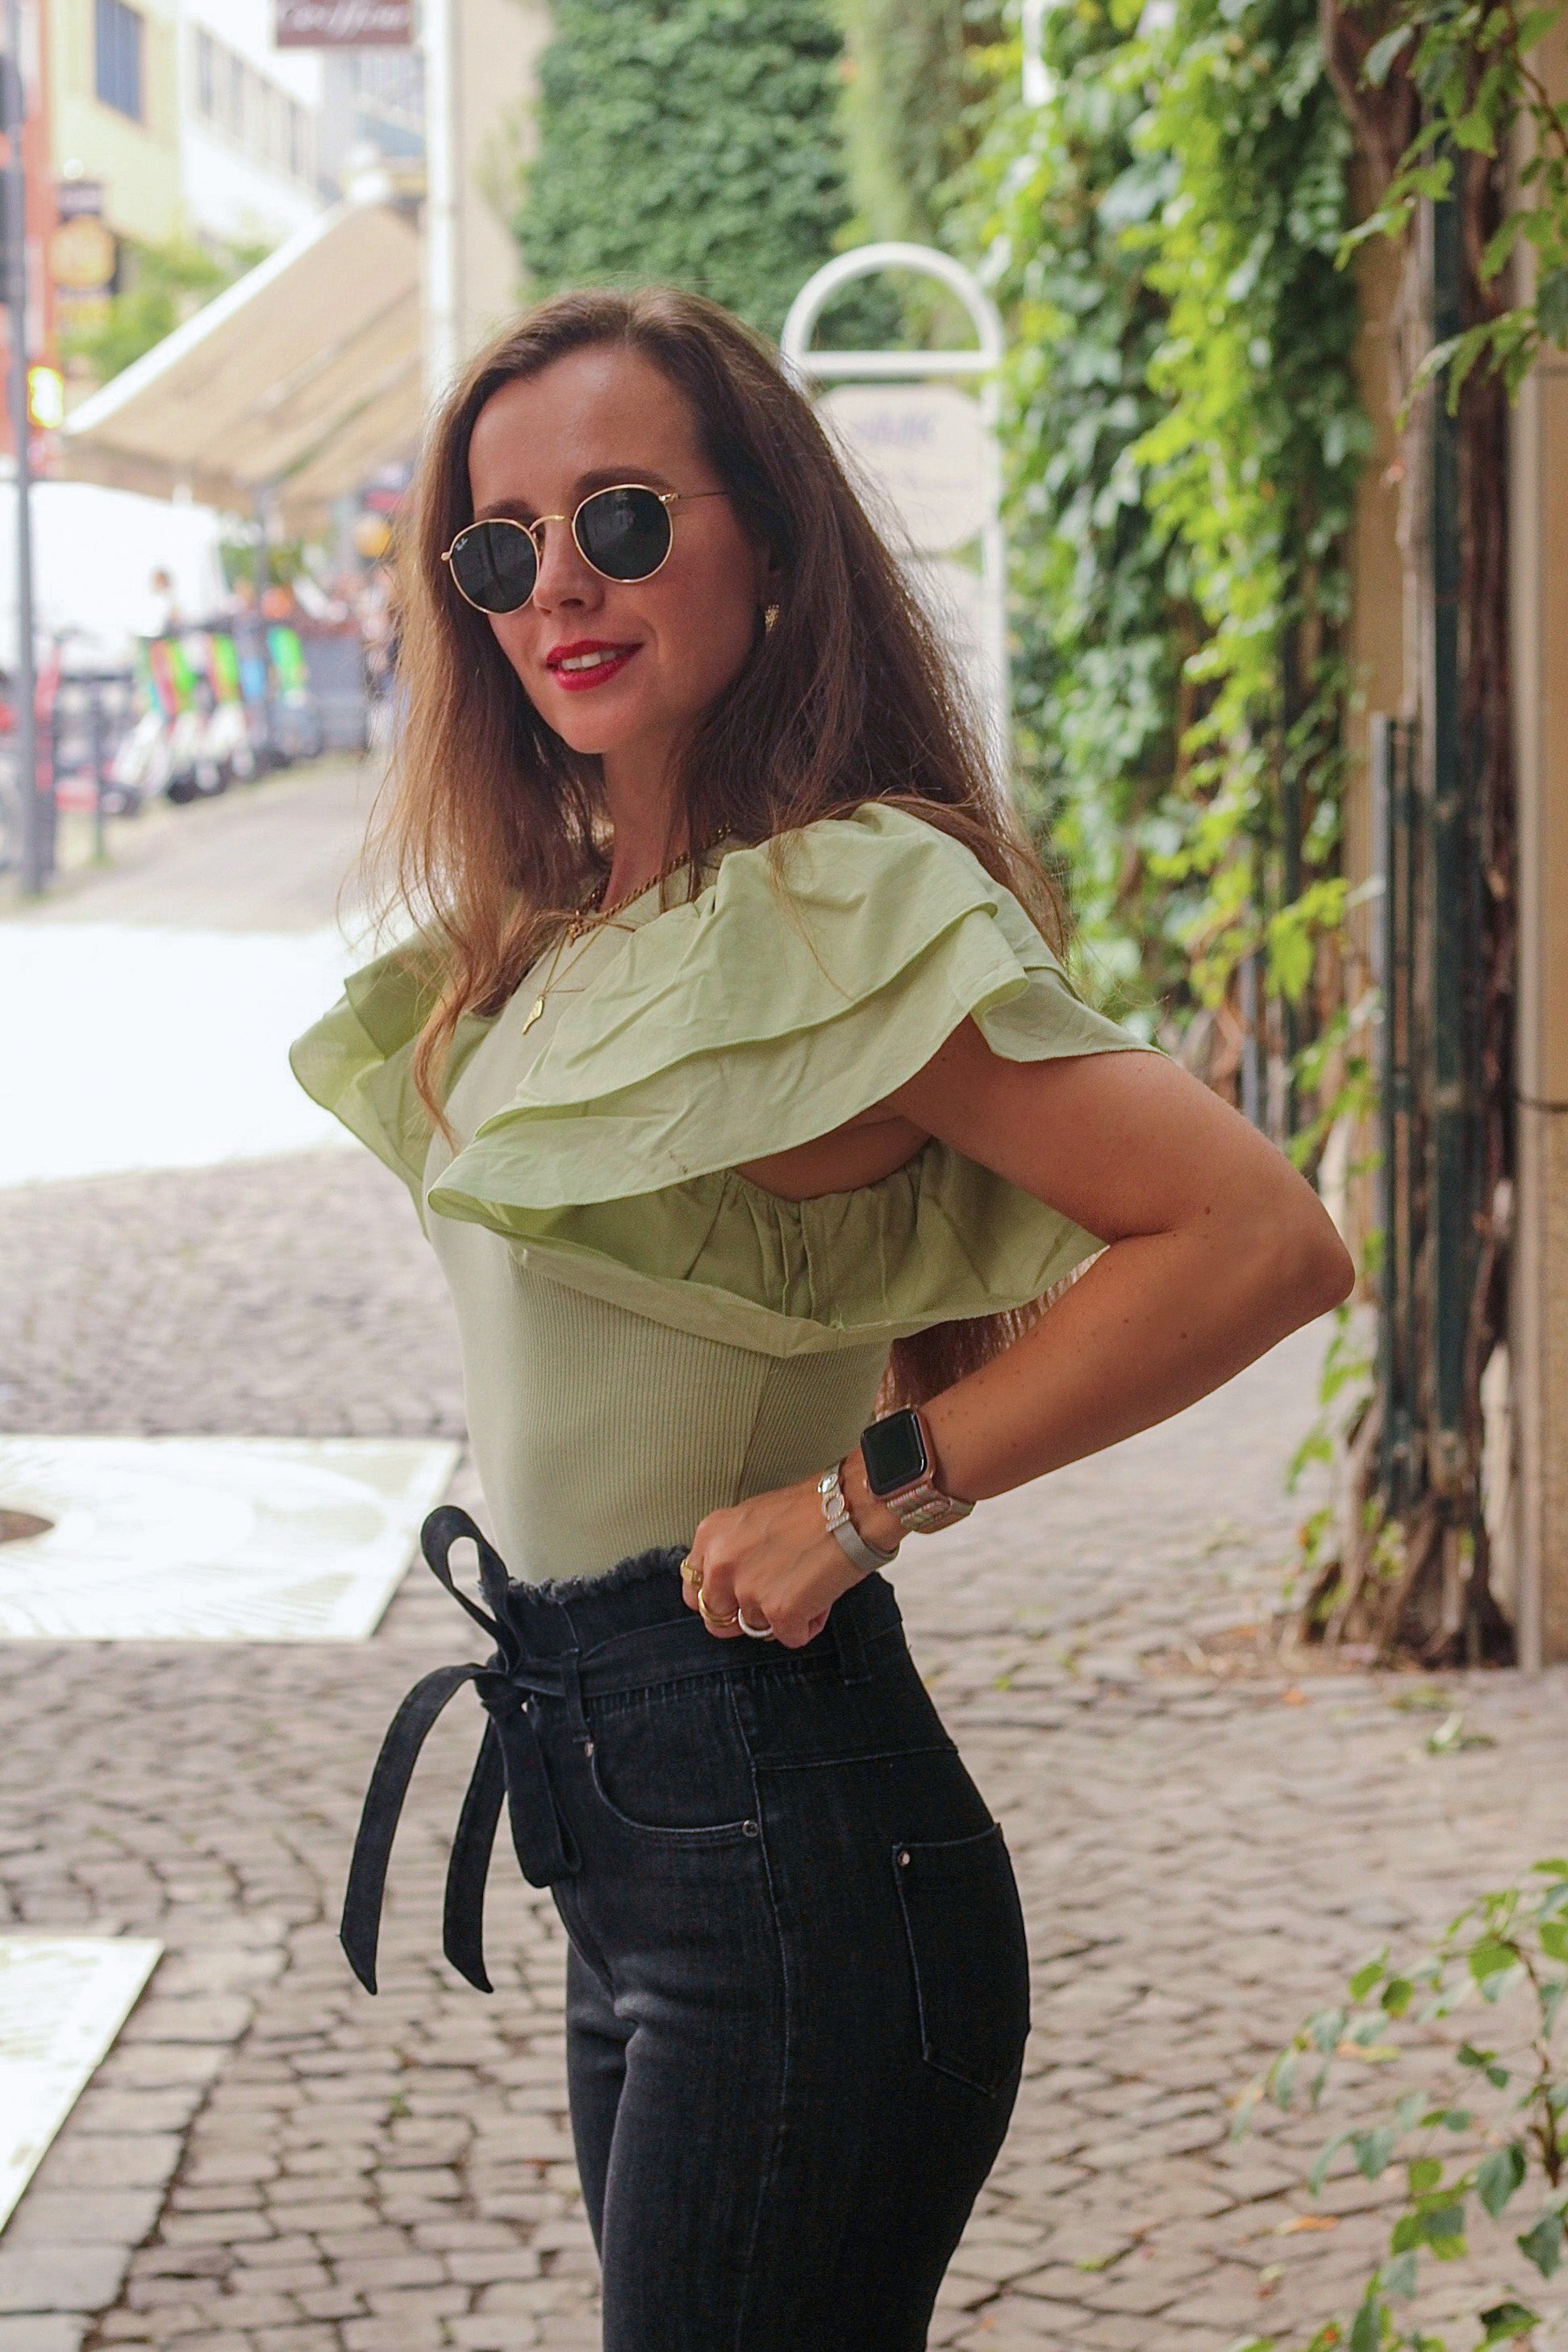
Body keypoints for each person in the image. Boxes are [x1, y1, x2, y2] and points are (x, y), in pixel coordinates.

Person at [290, 287, 1353, 2350]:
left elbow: (1256, 1238)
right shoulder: (545, 939)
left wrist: (873, 1496)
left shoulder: (840, 904)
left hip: (780, 1838)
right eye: (500, 549)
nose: (558, 587)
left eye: (620, 518)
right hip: (627, 1840)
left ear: (770, 540)